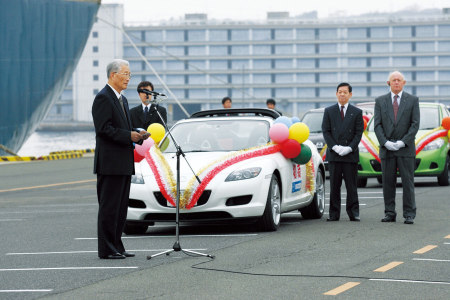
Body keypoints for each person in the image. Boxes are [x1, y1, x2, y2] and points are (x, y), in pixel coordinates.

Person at [92, 59, 149, 259]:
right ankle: (106, 249)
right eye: (125, 74)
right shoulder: (103, 98)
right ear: (113, 75)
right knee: (109, 207)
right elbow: (104, 129)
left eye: (129, 75)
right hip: (109, 164)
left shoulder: (122, 99)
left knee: (120, 208)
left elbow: (124, 129)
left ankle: (117, 245)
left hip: (124, 162)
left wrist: (137, 134)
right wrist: (128, 136)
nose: (128, 78)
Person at [374, 71, 420, 225]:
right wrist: (385, 142)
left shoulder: (412, 100)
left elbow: (415, 124)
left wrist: (403, 142)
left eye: (399, 80)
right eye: (393, 80)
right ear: (388, 83)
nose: (396, 82)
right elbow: (377, 125)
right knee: (387, 182)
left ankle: (409, 214)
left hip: (405, 149)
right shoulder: (380, 101)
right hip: (387, 148)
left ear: (404, 82)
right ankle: (389, 212)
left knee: (407, 182)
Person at [322, 82, 364, 222]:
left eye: (345, 92)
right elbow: (326, 131)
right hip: (334, 155)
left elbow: (359, 133)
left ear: (350, 95)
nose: (342, 94)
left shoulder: (357, 112)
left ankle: (354, 213)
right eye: (339, 91)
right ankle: (334, 214)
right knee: (334, 186)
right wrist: (334, 147)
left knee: (351, 186)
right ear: (336, 93)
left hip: (350, 154)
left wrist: (349, 148)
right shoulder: (329, 111)